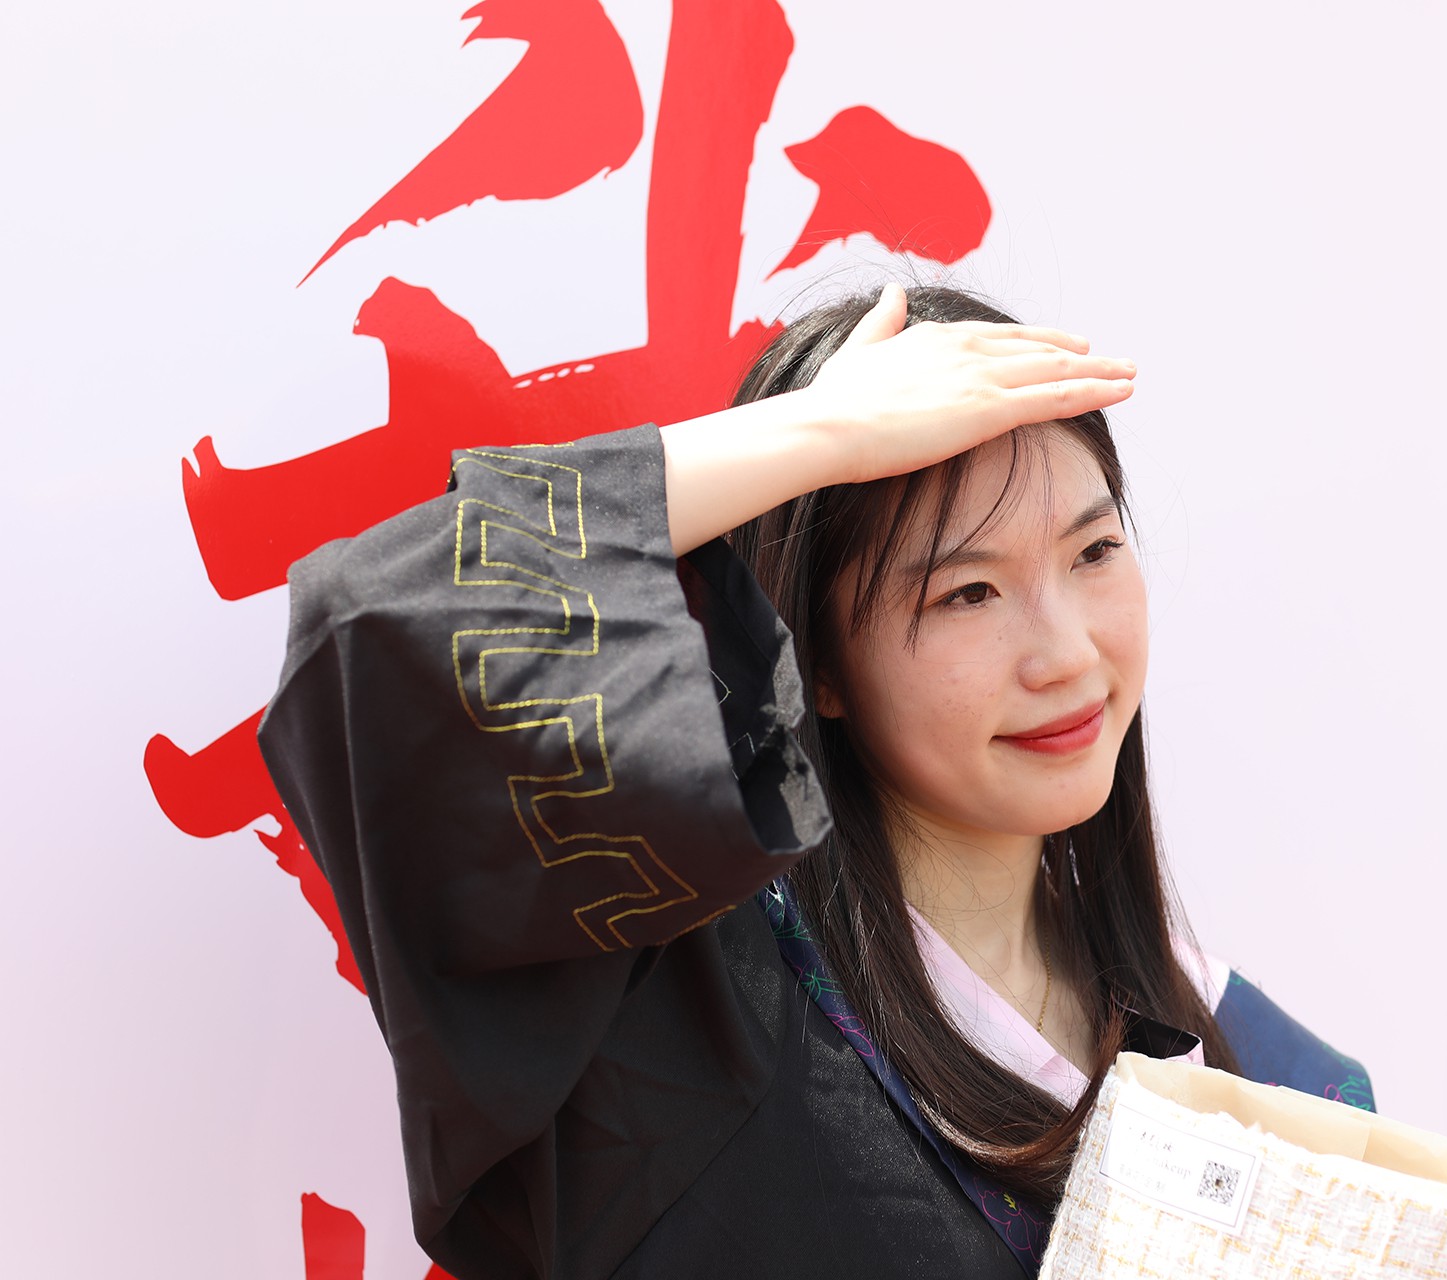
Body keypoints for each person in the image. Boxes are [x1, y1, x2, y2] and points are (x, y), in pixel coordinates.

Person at [260, 281, 1372, 1280]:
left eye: (1093, 552)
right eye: (968, 593)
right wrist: (818, 437)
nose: (1067, 654)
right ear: (820, 662)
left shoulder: (1274, 1084)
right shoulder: (697, 1013)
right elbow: (373, 620)